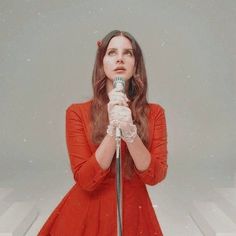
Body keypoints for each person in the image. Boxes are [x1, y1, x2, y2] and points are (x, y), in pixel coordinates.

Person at [38, 29, 168, 236]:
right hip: (86, 213)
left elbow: (154, 175)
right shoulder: (77, 113)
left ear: (136, 65)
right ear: (102, 63)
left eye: (128, 53)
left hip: (134, 213)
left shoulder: (155, 114)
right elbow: (86, 179)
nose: (120, 59)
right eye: (112, 52)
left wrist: (129, 132)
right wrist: (112, 130)